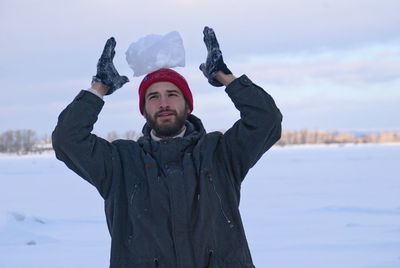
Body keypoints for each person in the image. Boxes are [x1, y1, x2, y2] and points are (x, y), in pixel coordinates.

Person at [52, 26, 282, 268]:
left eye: (172, 94)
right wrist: (99, 88)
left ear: (188, 105)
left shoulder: (220, 154)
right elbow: (68, 139)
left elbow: (266, 120)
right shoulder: (119, 163)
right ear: (144, 110)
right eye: (153, 97)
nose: (163, 103)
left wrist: (227, 78)